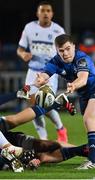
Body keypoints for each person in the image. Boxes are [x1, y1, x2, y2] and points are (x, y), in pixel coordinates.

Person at [35, 34, 95, 169]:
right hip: (84, 95)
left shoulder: (82, 59)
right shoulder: (56, 61)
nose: (65, 53)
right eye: (61, 50)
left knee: (89, 120)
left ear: (74, 47)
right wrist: (40, 79)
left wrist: (73, 85)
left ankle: (92, 161)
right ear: (57, 50)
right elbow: (45, 74)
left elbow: (83, 78)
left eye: (68, 48)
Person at [17, 1, 68, 142]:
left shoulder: (58, 31)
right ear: (37, 13)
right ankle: (43, 139)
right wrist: (23, 55)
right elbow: (20, 49)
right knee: (33, 104)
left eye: (48, 10)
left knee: (45, 102)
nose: (45, 13)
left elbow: (65, 51)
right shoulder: (29, 28)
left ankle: (60, 128)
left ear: (52, 13)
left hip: (49, 72)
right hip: (33, 71)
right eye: (43, 10)